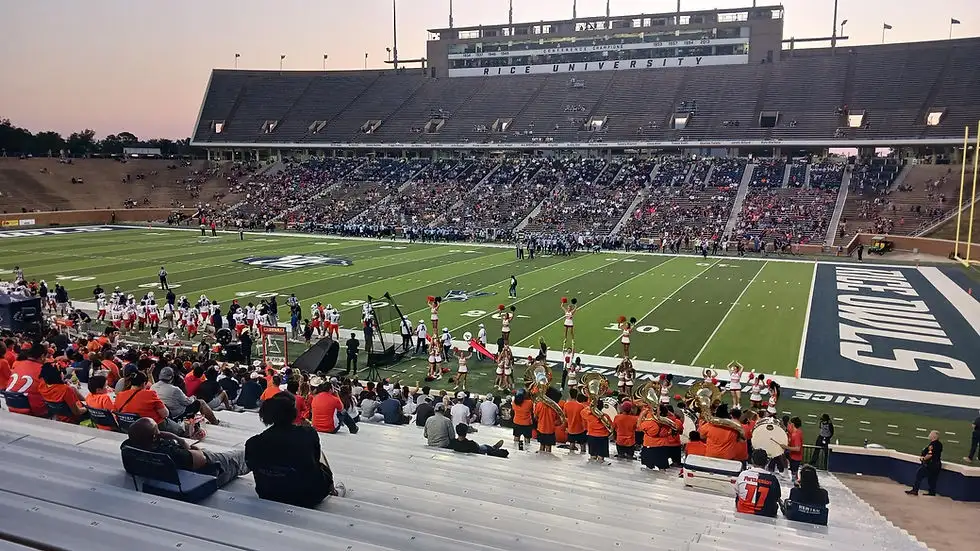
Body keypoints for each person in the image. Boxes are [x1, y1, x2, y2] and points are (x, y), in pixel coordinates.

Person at [245, 394, 346, 507]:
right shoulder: (308, 434)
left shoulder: (253, 443)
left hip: (268, 494)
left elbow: (253, 466)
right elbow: (315, 461)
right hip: (307, 497)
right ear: (293, 413)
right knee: (320, 464)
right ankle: (333, 490)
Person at [123, 418, 249, 487]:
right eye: (157, 430)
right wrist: (179, 440)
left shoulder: (128, 448)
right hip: (206, 470)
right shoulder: (170, 454)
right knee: (242, 454)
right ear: (155, 437)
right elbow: (202, 459)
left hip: (165, 473)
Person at [152, 367, 220, 425]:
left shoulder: (153, 386)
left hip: (162, 412)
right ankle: (215, 422)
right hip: (176, 414)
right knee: (201, 402)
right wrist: (193, 397)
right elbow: (187, 402)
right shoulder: (175, 389)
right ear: (172, 377)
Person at [735, 449, 782, 517]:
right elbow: (777, 497)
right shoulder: (773, 479)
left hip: (743, 510)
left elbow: (737, 491)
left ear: (752, 460)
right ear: (767, 462)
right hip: (766, 513)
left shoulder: (743, 474)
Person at [6, 342, 48, 417]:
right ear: (42, 356)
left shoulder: (18, 364)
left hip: (10, 405)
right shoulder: (43, 370)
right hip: (32, 410)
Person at [907, 430, 943, 496]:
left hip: (931, 464)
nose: (929, 435)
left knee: (919, 474)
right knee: (932, 479)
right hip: (937, 464)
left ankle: (915, 490)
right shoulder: (938, 444)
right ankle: (932, 492)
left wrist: (923, 458)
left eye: (931, 434)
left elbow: (930, 454)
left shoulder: (933, 444)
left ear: (934, 436)